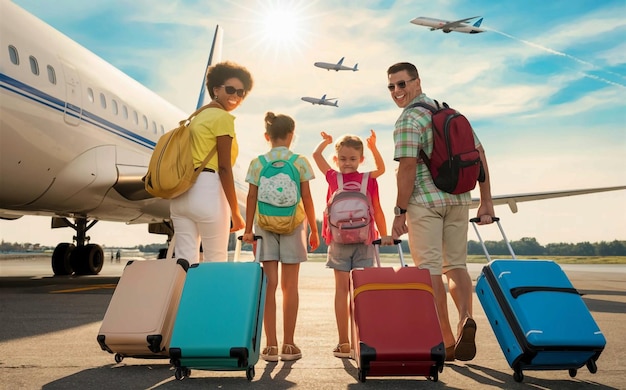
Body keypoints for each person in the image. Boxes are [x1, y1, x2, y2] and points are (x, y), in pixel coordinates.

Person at [387, 62, 495, 362]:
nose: (397, 91)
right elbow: (480, 154)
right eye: (392, 86)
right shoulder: (451, 113)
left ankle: (446, 341)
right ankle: (465, 320)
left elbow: (406, 168)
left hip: (425, 203)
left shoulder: (408, 120)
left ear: (417, 82)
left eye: (402, 84)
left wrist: (399, 212)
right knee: (456, 266)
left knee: (431, 271)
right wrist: (486, 201)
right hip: (460, 199)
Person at [242, 112, 320, 362]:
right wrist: (314, 229)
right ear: (291, 136)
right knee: (290, 287)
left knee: (270, 285)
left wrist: (247, 229)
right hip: (294, 224)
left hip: (264, 225)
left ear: (267, 136)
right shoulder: (300, 162)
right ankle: (289, 344)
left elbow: (251, 197)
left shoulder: (257, 163)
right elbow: (306, 197)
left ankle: (270, 346)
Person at [312, 130, 393, 359]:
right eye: (343, 159)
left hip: (350, 241)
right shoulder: (358, 178)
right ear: (336, 159)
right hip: (356, 241)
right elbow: (316, 156)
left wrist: (385, 234)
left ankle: (352, 340)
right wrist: (326, 143)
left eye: (353, 159)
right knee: (351, 292)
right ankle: (346, 341)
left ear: (361, 159)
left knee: (352, 292)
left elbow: (377, 208)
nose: (348, 164)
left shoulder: (343, 178)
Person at [170, 61, 253, 264]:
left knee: (184, 262)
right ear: (216, 89)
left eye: (241, 93)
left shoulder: (194, 118)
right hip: (208, 190)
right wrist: (235, 211)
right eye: (230, 89)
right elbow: (224, 168)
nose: (236, 96)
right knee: (215, 261)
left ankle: (182, 296)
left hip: (181, 193)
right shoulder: (222, 118)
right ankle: (211, 297)